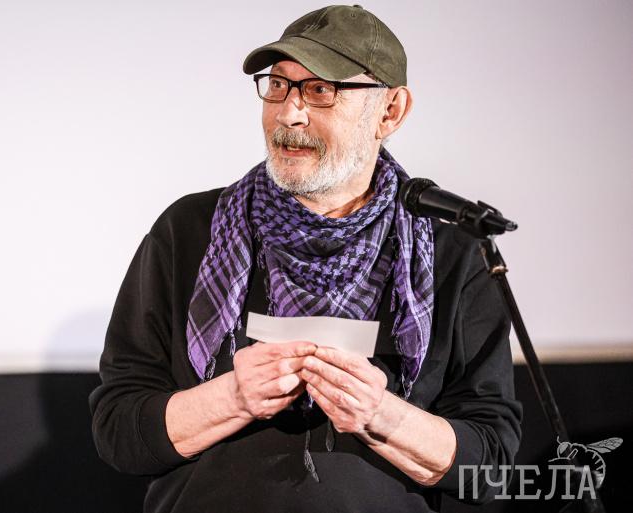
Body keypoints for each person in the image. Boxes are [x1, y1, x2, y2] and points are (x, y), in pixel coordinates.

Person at [89, 5, 522, 512]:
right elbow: (119, 431)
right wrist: (233, 398)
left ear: (390, 111)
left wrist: (381, 415)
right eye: (278, 85)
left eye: (320, 90)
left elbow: (490, 466)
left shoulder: (452, 254)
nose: (288, 114)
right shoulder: (189, 230)